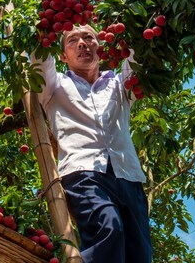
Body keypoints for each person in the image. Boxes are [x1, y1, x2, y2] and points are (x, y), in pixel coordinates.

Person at [31, 24, 152, 263]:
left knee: (140, 255)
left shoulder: (120, 85)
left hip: (128, 175)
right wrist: (42, 28)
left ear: (101, 46)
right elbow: (39, 58)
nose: (82, 43)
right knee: (109, 228)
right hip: (83, 173)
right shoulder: (54, 87)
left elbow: (141, 48)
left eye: (89, 37)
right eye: (72, 40)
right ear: (63, 56)